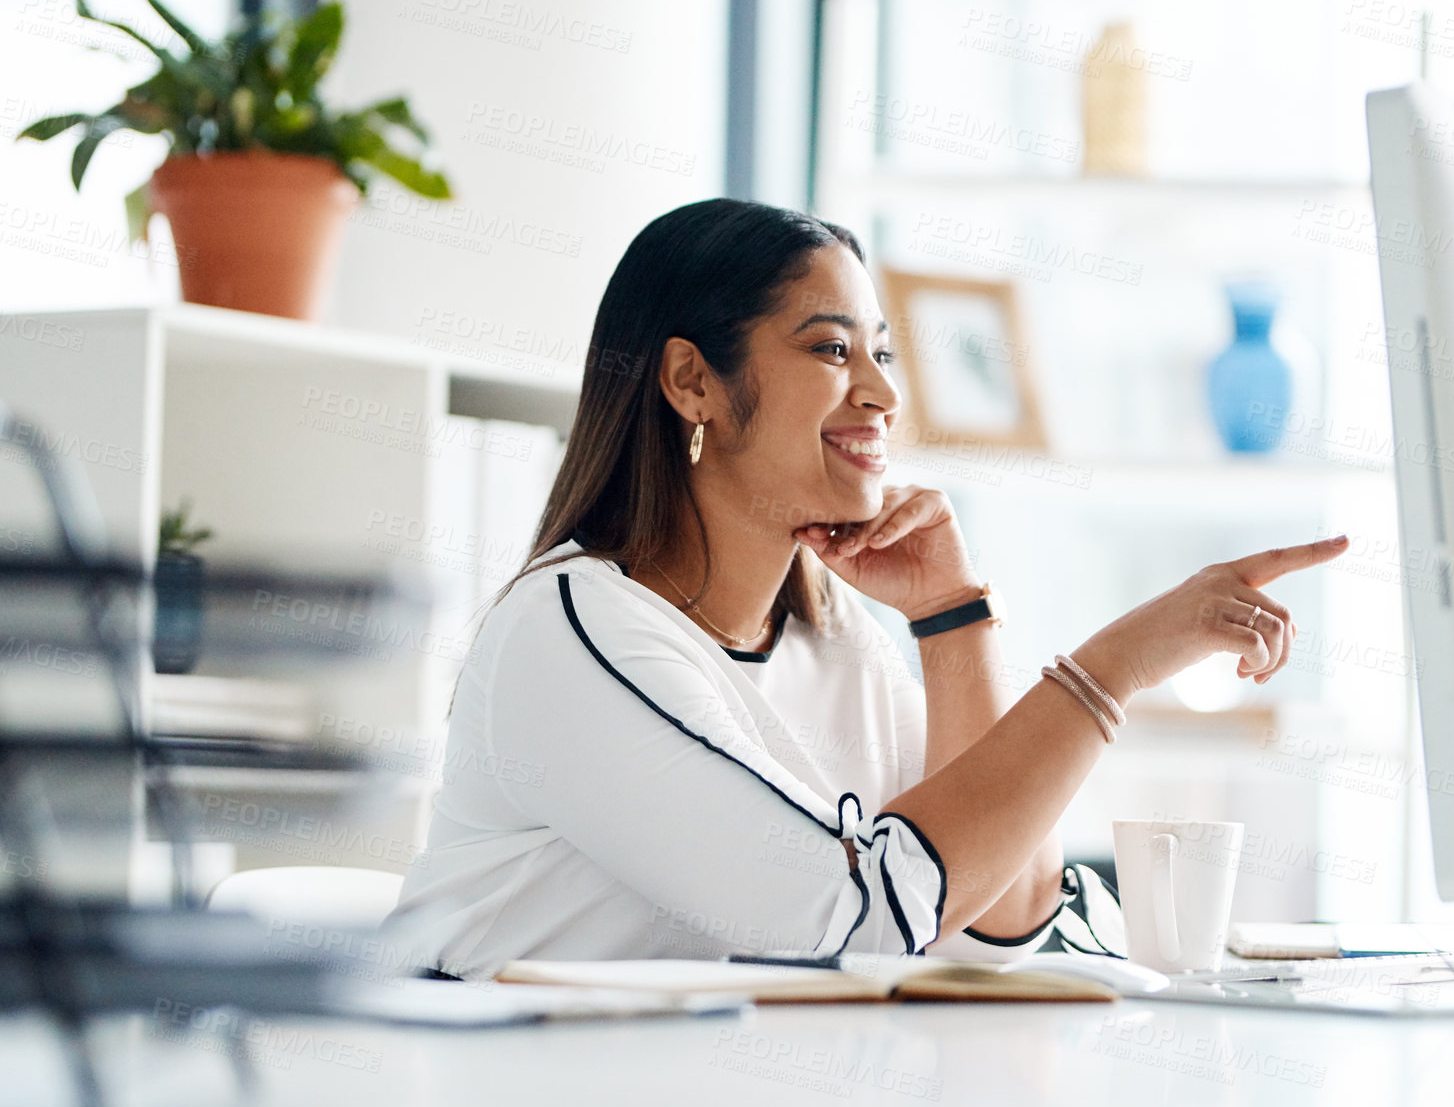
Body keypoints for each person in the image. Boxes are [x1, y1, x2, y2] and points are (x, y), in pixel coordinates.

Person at [385, 198, 1347, 978]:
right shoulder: (574, 629)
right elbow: (852, 918)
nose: (883, 394)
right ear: (692, 381)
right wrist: (1115, 664)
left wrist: (951, 616)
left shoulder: (827, 629)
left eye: (880, 352)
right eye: (831, 350)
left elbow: (1000, 916)